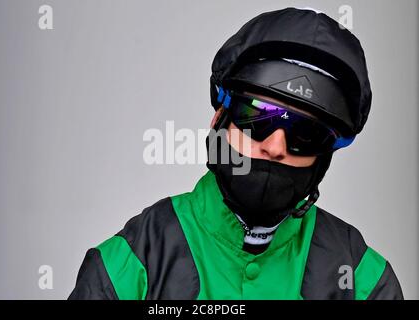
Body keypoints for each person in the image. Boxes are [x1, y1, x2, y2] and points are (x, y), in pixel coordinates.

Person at [68, 7, 403, 300]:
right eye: (256, 117)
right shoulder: (131, 263)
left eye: (306, 134)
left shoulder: (363, 280)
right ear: (220, 118)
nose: (275, 147)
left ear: (325, 156)